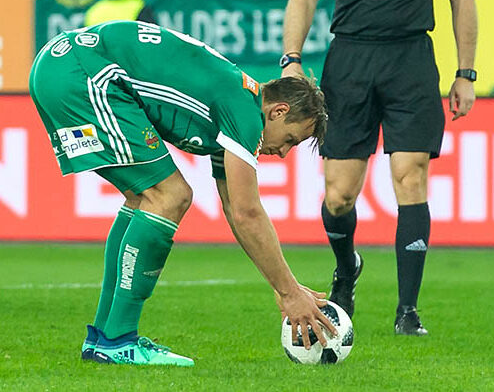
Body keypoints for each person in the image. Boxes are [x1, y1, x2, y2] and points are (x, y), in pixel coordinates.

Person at [29, 21, 335, 366]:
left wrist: (284, 288)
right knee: (171, 195)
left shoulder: (235, 103)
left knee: (145, 199)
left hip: (60, 66)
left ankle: (103, 336)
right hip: (83, 73)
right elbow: (248, 213)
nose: (282, 153)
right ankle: (118, 340)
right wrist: (290, 292)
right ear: (278, 111)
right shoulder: (245, 112)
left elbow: (236, 209)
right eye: (291, 139)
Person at [281, 0, 478, 335]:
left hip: (412, 60)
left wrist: (466, 72)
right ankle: (347, 268)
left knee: (410, 178)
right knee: (338, 195)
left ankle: (407, 310)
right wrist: (292, 59)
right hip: (349, 61)